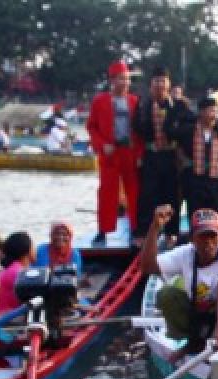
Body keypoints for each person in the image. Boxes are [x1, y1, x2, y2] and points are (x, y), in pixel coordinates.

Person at [141, 206, 218, 357]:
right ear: (192, 239)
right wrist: (155, 228)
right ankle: (194, 344)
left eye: (213, 236)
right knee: (167, 294)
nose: (208, 242)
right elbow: (147, 267)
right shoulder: (185, 254)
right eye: (203, 237)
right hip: (200, 319)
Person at [86, 60, 143, 245]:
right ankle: (103, 230)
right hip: (110, 152)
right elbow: (92, 127)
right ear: (112, 80)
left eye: (127, 79)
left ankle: (135, 228)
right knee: (106, 191)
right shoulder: (100, 101)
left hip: (130, 151)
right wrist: (102, 145)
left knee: (133, 190)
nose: (125, 83)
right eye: (121, 79)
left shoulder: (134, 101)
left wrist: (140, 154)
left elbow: (140, 130)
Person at [133, 65, 189, 246]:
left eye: (163, 81)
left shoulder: (179, 105)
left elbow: (189, 126)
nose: (159, 84)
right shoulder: (143, 104)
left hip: (171, 155)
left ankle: (171, 232)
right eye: (156, 81)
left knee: (172, 195)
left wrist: (174, 131)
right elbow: (136, 128)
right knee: (147, 195)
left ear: (168, 84)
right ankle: (144, 233)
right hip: (151, 154)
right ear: (151, 84)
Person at [174, 93, 218, 223]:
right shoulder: (189, 131)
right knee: (195, 218)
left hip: (214, 182)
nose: (214, 114)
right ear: (201, 112)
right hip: (195, 181)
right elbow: (173, 135)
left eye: (216, 111)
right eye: (211, 110)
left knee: (215, 219)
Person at [0, 232, 36, 315]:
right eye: (33, 246)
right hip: (7, 319)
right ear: (27, 250)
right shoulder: (19, 273)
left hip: (6, 315)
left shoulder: (12, 268)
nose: (35, 249)